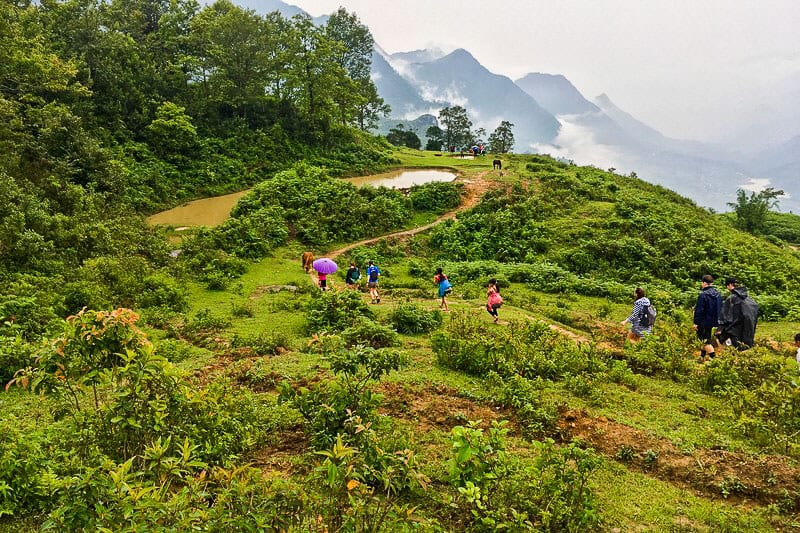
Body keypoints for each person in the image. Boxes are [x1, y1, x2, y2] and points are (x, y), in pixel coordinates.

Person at [717, 277, 758, 351]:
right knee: (744, 349)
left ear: (729, 285)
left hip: (734, 331)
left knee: (730, 349)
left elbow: (724, 316)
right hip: (747, 330)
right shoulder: (749, 299)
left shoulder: (731, 299)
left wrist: (720, 329)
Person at [693, 274, 723, 361]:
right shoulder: (718, 294)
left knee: (705, 340)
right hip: (713, 321)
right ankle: (702, 356)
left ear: (704, 283)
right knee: (704, 338)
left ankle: (714, 358)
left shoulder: (703, 295)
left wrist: (696, 323)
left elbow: (699, 310)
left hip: (703, 321)